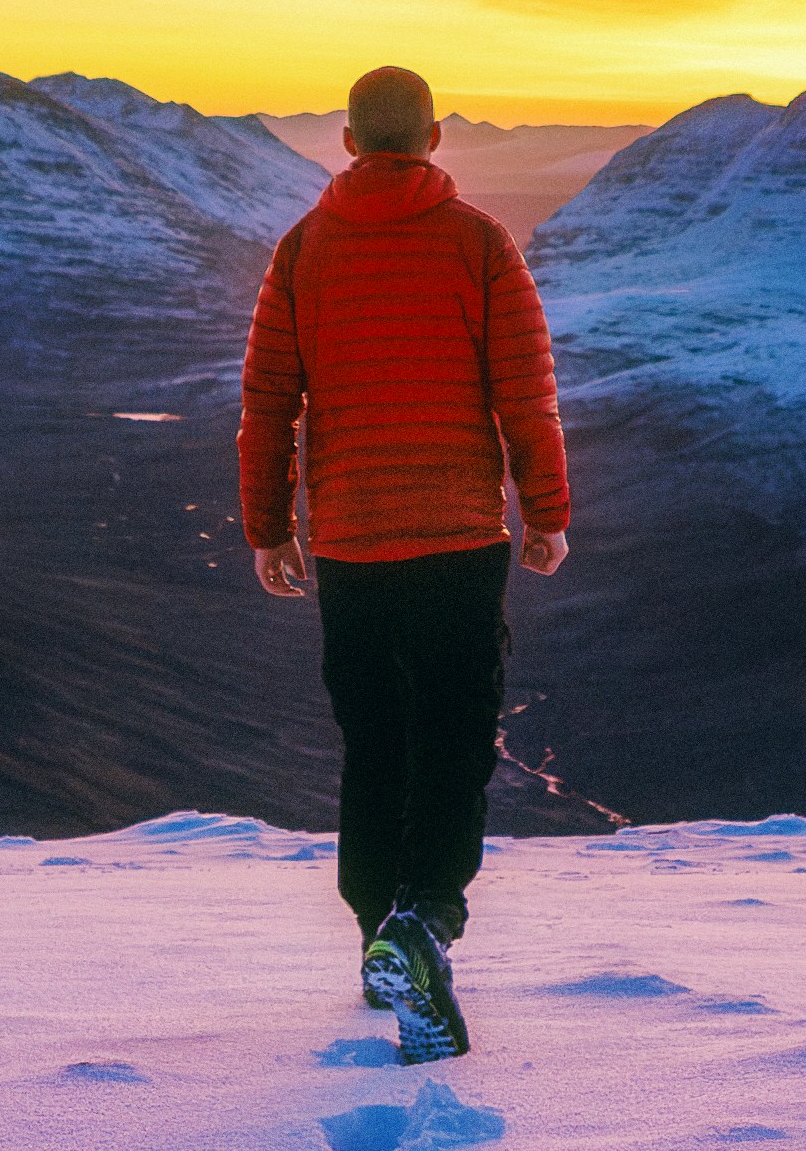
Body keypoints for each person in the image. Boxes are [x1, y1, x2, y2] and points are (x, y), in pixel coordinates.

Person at [239, 63, 570, 1057]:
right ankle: (422, 923)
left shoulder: (300, 251)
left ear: (346, 141)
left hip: (350, 541)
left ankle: (377, 935)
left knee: (374, 745)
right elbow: (526, 395)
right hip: (461, 538)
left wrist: (268, 528)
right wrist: (547, 512)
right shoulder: (478, 243)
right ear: (433, 136)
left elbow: (266, 406)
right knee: (455, 743)